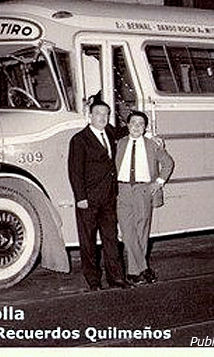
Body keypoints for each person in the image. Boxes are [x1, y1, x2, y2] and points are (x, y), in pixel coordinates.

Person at [67, 98, 129, 291]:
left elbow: (127, 130)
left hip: (109, 197)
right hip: (88, 199)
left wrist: (150, 134)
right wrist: (80, 198)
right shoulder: (79, 139)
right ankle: (93, 282)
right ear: (90, 116)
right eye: (99, 114)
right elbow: (74, 171)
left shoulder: (109, 131)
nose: (103, 117)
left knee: (111, 239)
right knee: (88, 242)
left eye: (106, 114)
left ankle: (117, 278)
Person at [115, 110, 174, 285]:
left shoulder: (152, 144)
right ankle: (144, 268)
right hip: (122, 189)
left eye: (140, 124)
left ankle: (133, 272)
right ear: (127, 125)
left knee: (142, 230)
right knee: (127, 232)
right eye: (133, 123)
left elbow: (168, 163)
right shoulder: (119, 143)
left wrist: (159, 182)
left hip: (143, 190)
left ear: (145, 127)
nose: (136, 127)